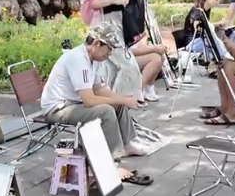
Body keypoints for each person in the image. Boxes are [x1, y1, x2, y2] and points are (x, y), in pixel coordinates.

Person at [40, 21, 153, 185]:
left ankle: (126, 144)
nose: (110, 53)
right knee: (106, 111)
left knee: (117, 104)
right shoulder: (78, 59)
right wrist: (120, 99)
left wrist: (122, 99)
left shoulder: (92, 59)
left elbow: (98, 89)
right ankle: (111, 163)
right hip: (58, 108)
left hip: (73, 103)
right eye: (109, 49)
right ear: (96, 43)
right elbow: (89, 99)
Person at [87, 0, 147, 104]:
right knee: (129, 68)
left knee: (114, 70)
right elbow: (92, 2)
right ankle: (119, 105)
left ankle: (116, 109)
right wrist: (115, 0)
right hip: (107, 29)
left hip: (118, 26)